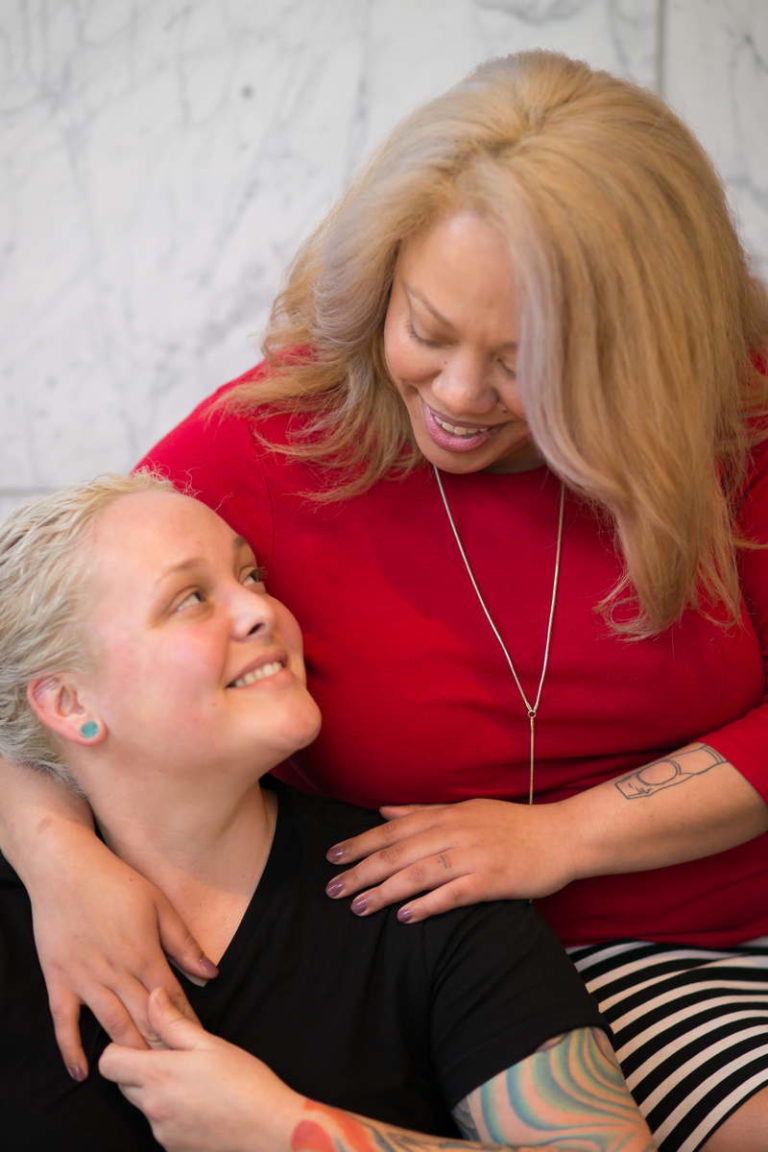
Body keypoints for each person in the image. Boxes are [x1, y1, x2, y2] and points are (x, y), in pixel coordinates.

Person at [1, 47, 767, 1152]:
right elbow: (50, 659)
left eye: (524, 361)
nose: (456, 398)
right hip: (575, 968)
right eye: (429, 329)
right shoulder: (271, 437)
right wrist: (57, 861)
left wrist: (565, 836)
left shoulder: (732, 419)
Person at [0, 474, 653, 1152]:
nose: (262, 612)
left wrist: (287, 1134)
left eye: (250, 575)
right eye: (191, 598)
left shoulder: (426, 889)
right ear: (69, 704)